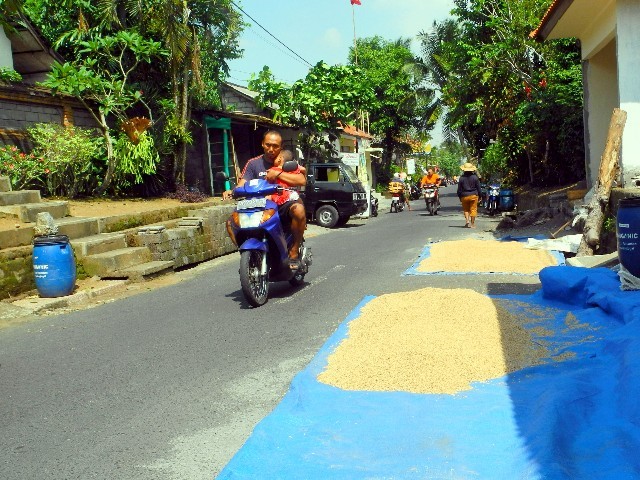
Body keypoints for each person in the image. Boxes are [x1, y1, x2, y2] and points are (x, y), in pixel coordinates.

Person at [223, 130, 307, 269]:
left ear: (281, 147)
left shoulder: (286, 162)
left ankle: (293, 252)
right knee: (231, 223)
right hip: (258, 205)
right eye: (268, 145)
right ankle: (248, 254)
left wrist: (278, 173)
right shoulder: (253, 164)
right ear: (263, 144)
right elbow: (242, 184)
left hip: (281, 204)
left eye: (275, 146)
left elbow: (301, 180)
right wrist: (231, 191)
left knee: (298, 210)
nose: (271, 149)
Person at [457, 161, 482, 228]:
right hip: (474, 195)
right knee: (473, 209)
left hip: (464, 196)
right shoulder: (475, 177)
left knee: (466, 210)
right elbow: (478, 188)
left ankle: (467, 221)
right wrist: (480, 196)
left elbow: (459, 189)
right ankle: (472, 224)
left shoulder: (461, 178)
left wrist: (460, 197)